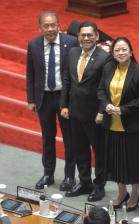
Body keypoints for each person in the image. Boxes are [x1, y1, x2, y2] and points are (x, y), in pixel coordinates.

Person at [98, 37, 139, 211]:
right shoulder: (107, 68)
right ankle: (122, 193)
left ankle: (135, 194)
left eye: (124, 50)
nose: (120, 53)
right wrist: (105, 105)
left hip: (132, 126)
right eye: (117, 50)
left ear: (131, 51)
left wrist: (122, 109)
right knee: (116, 162)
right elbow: (100, 91)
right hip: (111, 125)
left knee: (133, 162)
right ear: (112, 53)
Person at [60, 21, 112, 202]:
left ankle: (99, 186)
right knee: (79, 149)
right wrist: (64, 105)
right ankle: (84, 182)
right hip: (74, 112)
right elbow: (67, 79)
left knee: (99, 151)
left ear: (97, 36)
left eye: (90, 35)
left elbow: (105, 87)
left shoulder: (104, 57)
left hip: (94, 115)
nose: (86, 38)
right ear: (78, 37)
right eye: (83, 35)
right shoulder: (73, 52)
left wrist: (101, 111)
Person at [26, 11, 78, 191]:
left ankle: (70, 176)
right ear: (40, 27)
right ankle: (48, 174)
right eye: (46, 26)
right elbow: (30, 73)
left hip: (65, 99)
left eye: (53, 25)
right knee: (47, 138)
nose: (50, 29)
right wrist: (31, 98)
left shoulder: (71, 42)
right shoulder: (33, 44)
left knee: (70, 138)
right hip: (44, 98)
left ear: (59, 25)